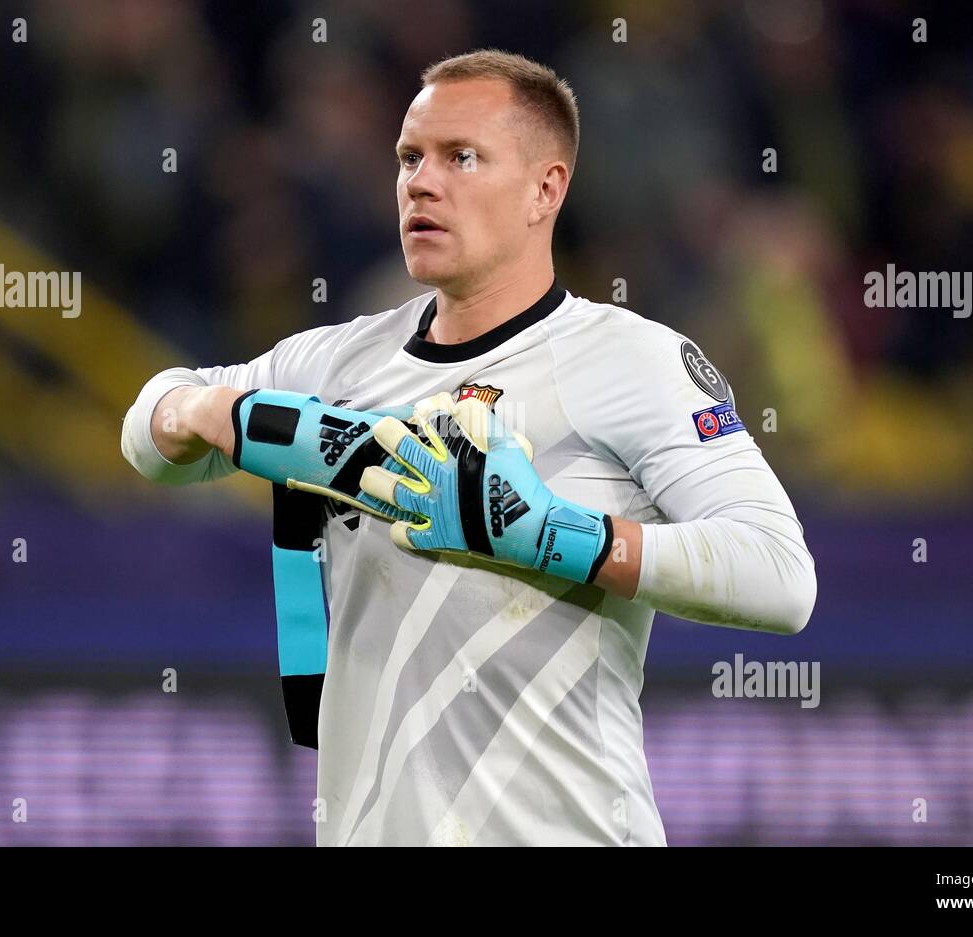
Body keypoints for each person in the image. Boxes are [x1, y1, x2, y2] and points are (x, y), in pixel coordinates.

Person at [122, 49, 816, 846]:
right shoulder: (339, 363)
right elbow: (148, 435)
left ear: (545, 189)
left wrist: (557, 536)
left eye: (461, 157)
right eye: (409, 157)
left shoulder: (633, 360)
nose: (421, 182)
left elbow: (780, 577)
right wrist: (218, 410)